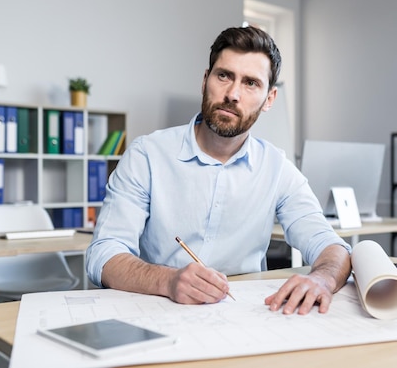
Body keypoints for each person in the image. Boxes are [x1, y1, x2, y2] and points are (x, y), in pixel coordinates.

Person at [86, 26, 351, 315]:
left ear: (269, 99)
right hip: (159, 311)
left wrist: (322, 279)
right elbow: (103, 254)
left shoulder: (277, 168)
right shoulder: (147, 155)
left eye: (251, 83)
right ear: (205, 80)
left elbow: (331, 246)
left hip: (243, 319)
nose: (233, 94)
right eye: (224, 76)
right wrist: (168, 280)